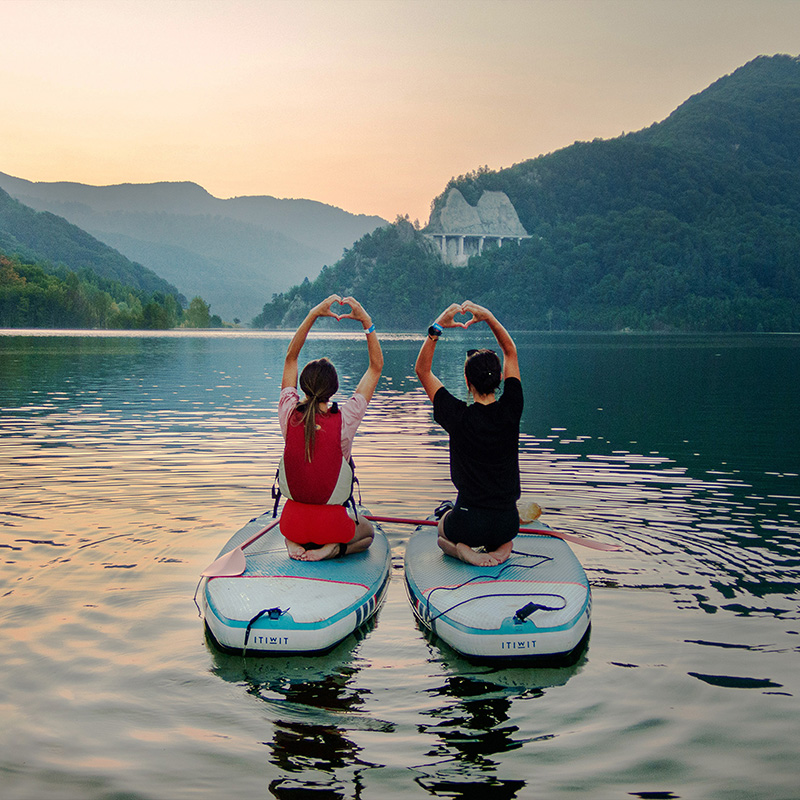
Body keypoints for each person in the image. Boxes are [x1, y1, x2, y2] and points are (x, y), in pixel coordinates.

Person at [414, 301, 523, 567]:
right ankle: (503, 549)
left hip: (467, 522)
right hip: (506, 522)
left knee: (442, 531)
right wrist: (489, 317)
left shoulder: (457, 415)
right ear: (500, 379)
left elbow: (422, 370)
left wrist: (437, 327)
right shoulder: (512, 408)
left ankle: (462, 550)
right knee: (505, 536)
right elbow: (510, 352)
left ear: (467, 382)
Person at [278, 294, 383, 561]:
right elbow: (375, 368)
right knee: (368, 533)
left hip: (293, 524)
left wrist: (313, 314)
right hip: (330, 528)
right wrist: (367, 323)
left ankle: (292, 543)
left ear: (303, 385)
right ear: (334, 389)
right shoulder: (346, 417)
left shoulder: (288, 411)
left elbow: (291, 358)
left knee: (301, 519)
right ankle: (333, 549)